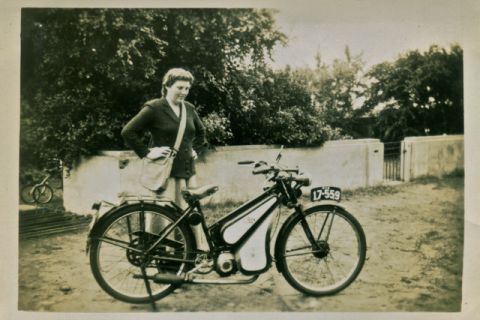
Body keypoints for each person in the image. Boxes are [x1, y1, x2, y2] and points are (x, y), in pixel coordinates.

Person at [121, 67, 208, 250]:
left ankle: (189, 254)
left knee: (188, 215)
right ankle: (162, 256)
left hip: (186, 173)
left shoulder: (189, 109)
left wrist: (195, 150)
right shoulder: (154, 108)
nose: (184, 92)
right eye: (179, 87)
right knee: (164, 217)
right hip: (165, 175)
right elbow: (128, 132)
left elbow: (201, 133)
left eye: (187, 88)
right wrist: (147, 152)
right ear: (167, 86)